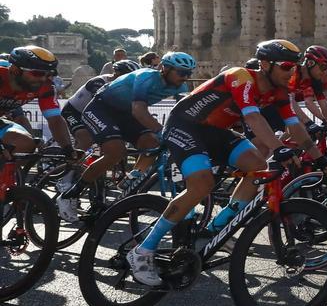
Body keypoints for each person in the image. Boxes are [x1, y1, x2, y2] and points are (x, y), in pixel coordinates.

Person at [124, 40, 324, 286]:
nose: (291, 72)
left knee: (260, 168)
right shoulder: (241, 77)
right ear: (264, 64)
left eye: (294, 67)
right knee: (201, 185)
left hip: (216, 131)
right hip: (185, 125)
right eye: (285, 66)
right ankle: (142, 251)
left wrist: (320, 159)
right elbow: (252, 116)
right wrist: (279, 148)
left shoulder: (281, 91)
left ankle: (218, 227)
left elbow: (296, 126)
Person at [58, 52, 197, 221]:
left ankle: (132, 179)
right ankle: (69, 194)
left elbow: (185, 114)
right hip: (101, 109)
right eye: (181, 72)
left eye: (189, 73)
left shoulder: (181, 87)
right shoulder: (146, 77)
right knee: (116, 152)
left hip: (125, 114)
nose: (185, 77)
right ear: (165, 68)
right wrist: (164, 131)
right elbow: (139, 110)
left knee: (151, 143)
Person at [0, 47, 73, 155]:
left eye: (48, 74)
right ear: (15, 70)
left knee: (25, 145)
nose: (43, 79)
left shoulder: (45, 86)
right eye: (37, 73)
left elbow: (55, 120)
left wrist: (68, 149)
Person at [60, 59, 139, 151]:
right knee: (86, 138)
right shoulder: (99, 82)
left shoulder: (124, 88)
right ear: (117, 73)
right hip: (73, 112)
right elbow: (102, 106)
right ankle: (72, 163)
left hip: (90, 113)